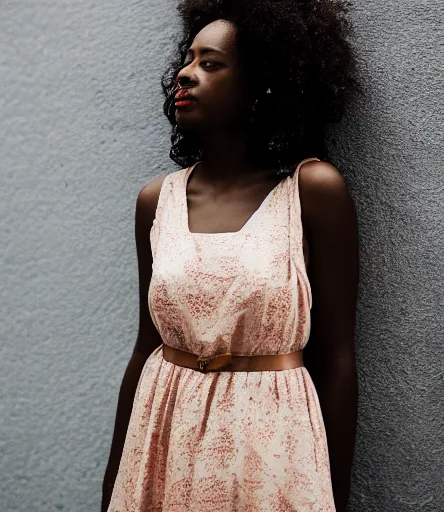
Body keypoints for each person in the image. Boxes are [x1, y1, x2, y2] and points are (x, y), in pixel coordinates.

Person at [102, 0, 359, 510]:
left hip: (273, 452)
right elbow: (144, 347)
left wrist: (335, 494)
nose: (185, 72)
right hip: (164, 436)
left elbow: (336, 358)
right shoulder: (158, 201)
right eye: (188, 58)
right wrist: (113, 482)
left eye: (210, 62)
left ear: (263, 82)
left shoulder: (313, 191)